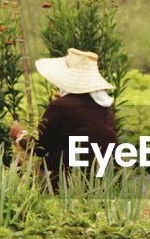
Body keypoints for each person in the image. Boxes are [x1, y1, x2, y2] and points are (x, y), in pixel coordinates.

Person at [10, 48, 117, 188]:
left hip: (70, 183)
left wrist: (19, 134)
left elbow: (38, 147)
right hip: (104, 183)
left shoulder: (61, 105)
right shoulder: (104, 107)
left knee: (20, 160)